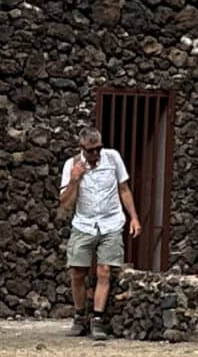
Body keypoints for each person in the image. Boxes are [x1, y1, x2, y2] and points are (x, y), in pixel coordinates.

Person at [57, 127, 140, 340]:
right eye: (91, 150)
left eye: (98, 149)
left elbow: (124, 188)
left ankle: (98, 318)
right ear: (82, 149)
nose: (95, 154)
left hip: (111, 222)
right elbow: (65, 204)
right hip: (84, 223)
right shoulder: (72, 165)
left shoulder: (112, 159)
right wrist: (75, 180)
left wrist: (134, 217)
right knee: (77, 272)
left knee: (104, 270)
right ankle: (79, 315)